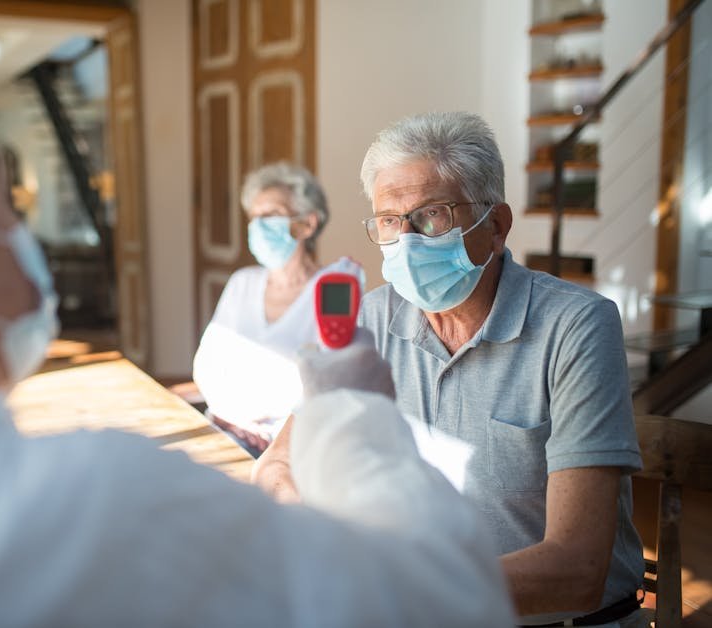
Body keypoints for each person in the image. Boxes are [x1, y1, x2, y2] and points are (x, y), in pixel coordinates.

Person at [0, 57, 515, 626]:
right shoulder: (85, 508)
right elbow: (444, 601)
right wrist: (350, 414)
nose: (21, 234)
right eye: (2, 203)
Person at [254, 112, 645, 627]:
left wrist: (390, 587)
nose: (407, 240)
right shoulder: (372, 316)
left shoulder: (575, 326)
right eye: (390, 221)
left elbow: (576, 569)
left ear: (497, 226)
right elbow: (276, 466)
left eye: (432, 215)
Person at [192, 162, 363, 456]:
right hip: (225, 432)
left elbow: (330, 386)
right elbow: (206, 369)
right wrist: (237, 418)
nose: (258, 226)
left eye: (270, 215)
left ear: (307, 224)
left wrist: (271, 429)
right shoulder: (242, 283)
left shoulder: (334, 290)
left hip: (293, 448)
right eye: (253, 217)